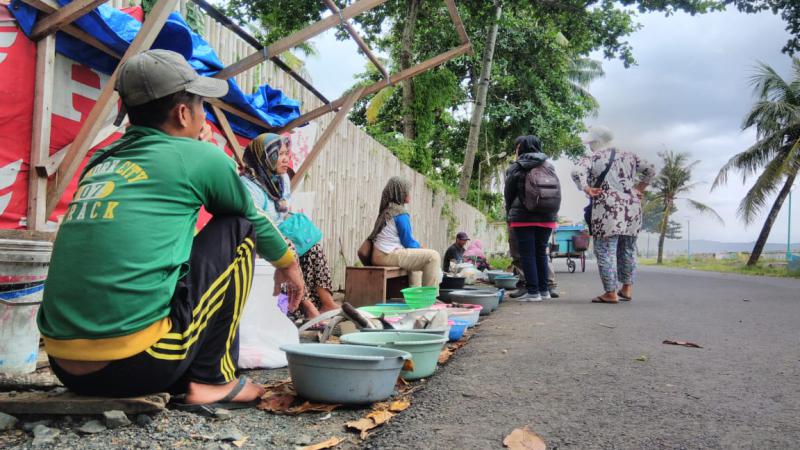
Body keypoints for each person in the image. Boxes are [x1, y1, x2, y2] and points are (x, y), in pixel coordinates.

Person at [37, 50, 305, 408]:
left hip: (63, 362)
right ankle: (213, 380)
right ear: (183, 113)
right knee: (238, 228)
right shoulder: (199, 157)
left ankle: (182, 364)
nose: (202, 115)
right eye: (200, 105)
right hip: (135, 362)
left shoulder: (100, 162)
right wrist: (288, 263)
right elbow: (251, 216)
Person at [240, 133, 338, 321]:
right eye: (280, 154)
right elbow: (256, 221)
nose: (286, 159)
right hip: (256, 237)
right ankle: (307, 305)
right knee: (288, 247)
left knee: (312, 243)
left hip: (278, 230)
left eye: (287, 153)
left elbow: (283, 211)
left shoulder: (281, 178)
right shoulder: (248, 184)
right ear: (265, 157)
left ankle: (326, 301)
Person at [571, 126, 655, 304]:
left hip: (607, 209)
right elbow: (651, 170)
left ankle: (610, 293)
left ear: (598, 141)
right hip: (631, 208)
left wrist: (586, 188)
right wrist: (639, 188)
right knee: (628, 249)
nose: (590, 146)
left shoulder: (594, 157)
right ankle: (626, 289)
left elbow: (576, 172)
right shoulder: (630, 155)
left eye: (592, 142)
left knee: (605, 250)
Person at [503, 135, 561, 302]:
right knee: (541, 252)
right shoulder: (549, 166)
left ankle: (533, 292)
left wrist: (510, 212)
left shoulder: (516, 166)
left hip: (523, 216)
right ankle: (544, 291)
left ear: (520, 148)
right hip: (547, 215)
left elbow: (509, 193)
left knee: (527, 254)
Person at [369, 177, 441, 287]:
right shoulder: (399, 213)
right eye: (407, 191)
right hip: (386, 255)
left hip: (379, 254)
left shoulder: (388, 210)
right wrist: (423, 247)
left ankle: (416, 295)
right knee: (433, 257)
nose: (409, 194)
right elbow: (408, 242)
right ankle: (430, 297)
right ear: (400, 193)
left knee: (418, 260)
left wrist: (420, 248)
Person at [508, 227, 559, 298]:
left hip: (522, 219)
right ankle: (542, 289)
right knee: (540, 252)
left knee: (528, 253)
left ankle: (535, 290)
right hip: (545, 219)